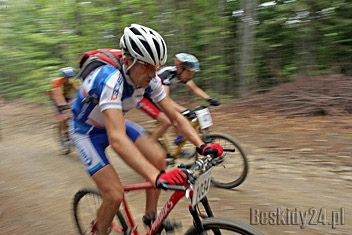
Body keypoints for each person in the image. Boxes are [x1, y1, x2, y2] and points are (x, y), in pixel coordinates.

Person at [69, 24, 223, 235]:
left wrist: (202, 145)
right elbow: (117, 139)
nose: (152, 73)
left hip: (112, 122)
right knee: (114, 194)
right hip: (85, 132)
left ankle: (151, 219)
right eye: (146, 66)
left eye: (156, 66)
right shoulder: (110, 79)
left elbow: (175, 118)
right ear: (127, 61)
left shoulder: (152, 79)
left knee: (158, 158)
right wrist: (155, 177)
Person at [138, 53, 220, 141]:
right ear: (180, 68)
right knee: (167, 121)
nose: (190, 75)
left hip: (154, 97)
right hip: (142, 97)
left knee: (178, 116)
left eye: (192, 73)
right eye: (189, 72)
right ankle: (150, 145)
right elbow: (165, 100)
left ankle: (178, 147)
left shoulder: (180, 75)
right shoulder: (167, 74)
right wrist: (184, 110)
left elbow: (194, 89)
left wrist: (209, 98)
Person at [50, 67, 80, 149]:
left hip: (67, 98)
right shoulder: (57, 83)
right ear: (64, 77)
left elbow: (80, 91)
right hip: (57, 99)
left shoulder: (73, 81)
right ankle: (61, 138)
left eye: (71, 77)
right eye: (67, 77)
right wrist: (63, 105)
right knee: (63, 118)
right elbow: (58, 95)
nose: (69, 79)